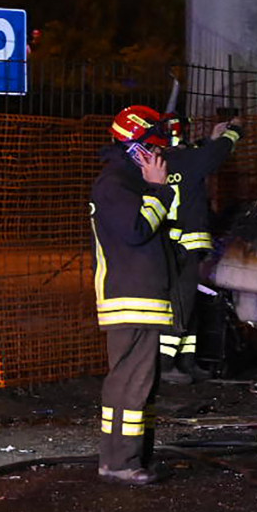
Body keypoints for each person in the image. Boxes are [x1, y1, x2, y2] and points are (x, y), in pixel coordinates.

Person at [90, 104, 176, 484]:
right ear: (138, 147)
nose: (160, 157)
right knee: (131, 383)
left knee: (137, 383)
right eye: (154, 149)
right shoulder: (116, 184)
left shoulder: (124, 182)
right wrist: (159, 190)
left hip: (140, 297)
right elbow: (138, 230)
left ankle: (127, 457)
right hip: (132, 298)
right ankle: (121, 462)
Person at [159, 112, 243, 384]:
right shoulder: (186, 160)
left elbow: (199, 152)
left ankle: (185, 362)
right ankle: (166, 365)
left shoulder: (165, 162)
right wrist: (233, 132)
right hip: (183, 247)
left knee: (188, 305)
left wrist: (210, 139)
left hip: (172, 247)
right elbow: (214, 154)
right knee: (181, 306)